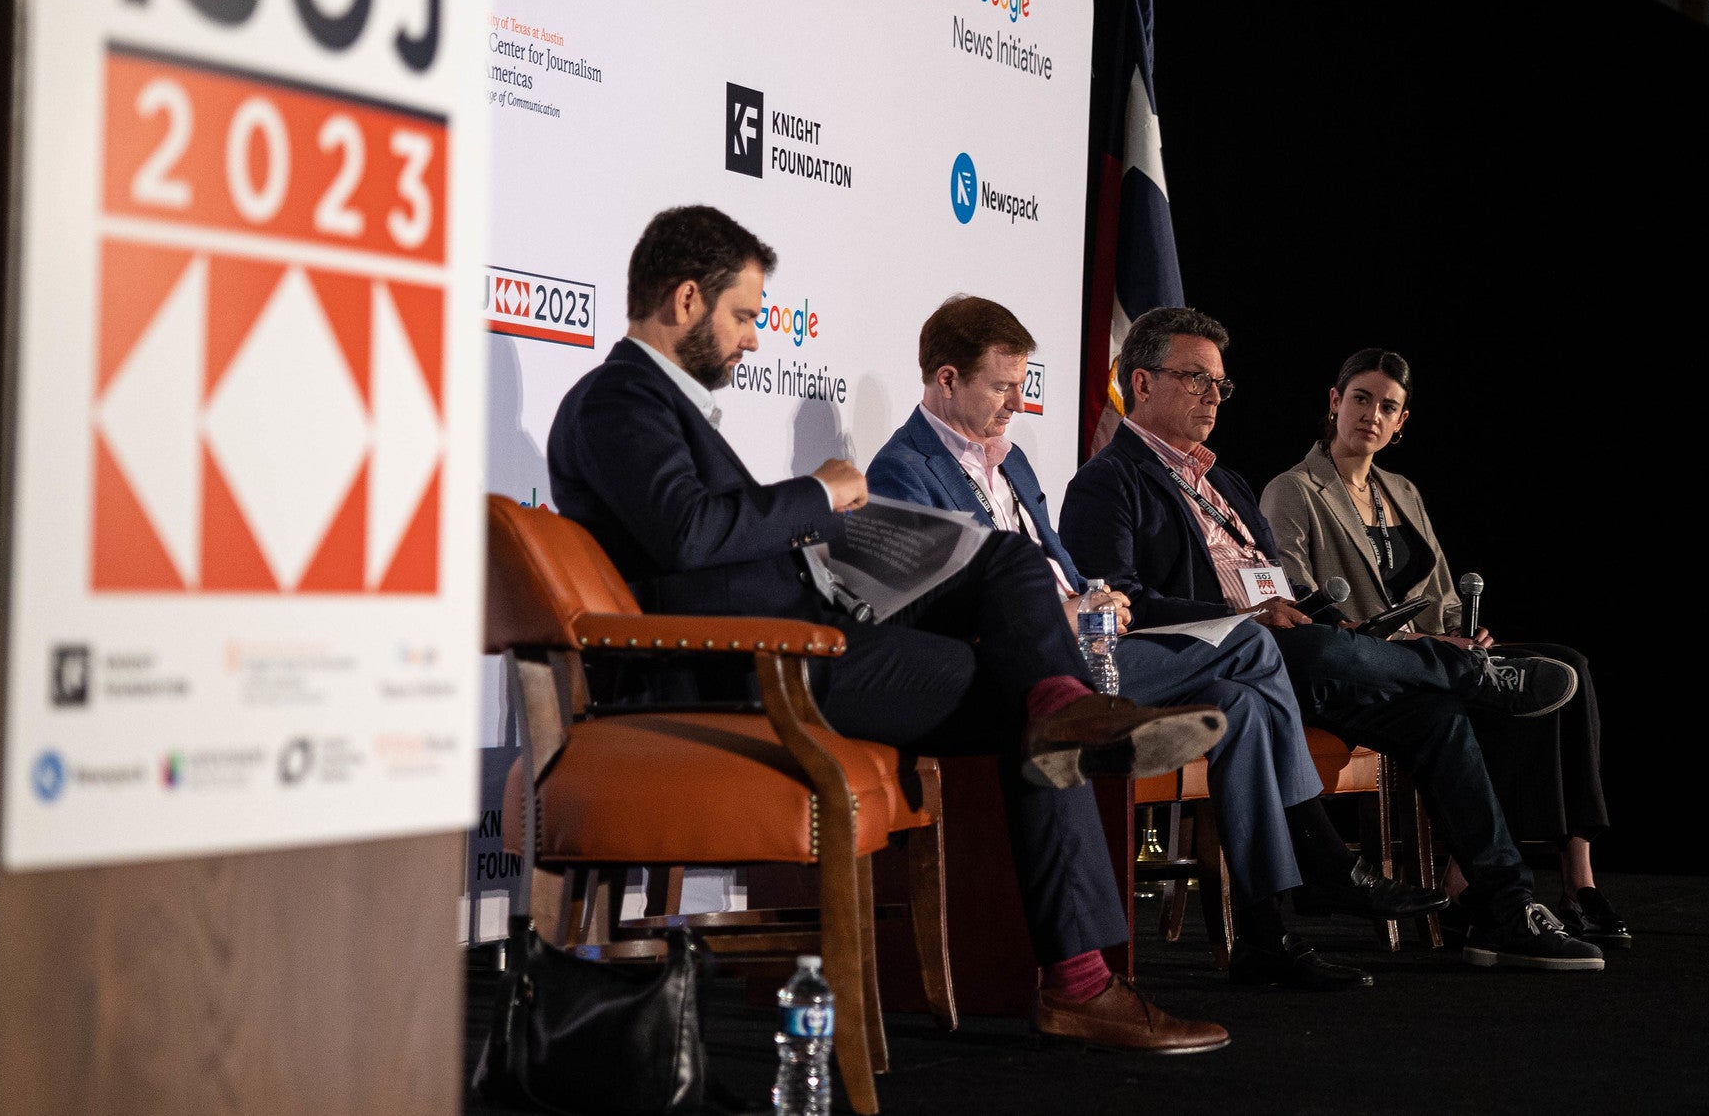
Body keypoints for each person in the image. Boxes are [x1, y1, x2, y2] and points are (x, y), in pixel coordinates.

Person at [547, 206, 1233, 1052]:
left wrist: (854, 552)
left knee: (1005, 564)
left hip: (804, 626)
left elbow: (703, 536)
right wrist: (819, 496)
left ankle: (1066, 703)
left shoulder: (649, 402)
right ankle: (1078, 977)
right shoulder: (617, 400)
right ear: (686, 299)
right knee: (1034, 715)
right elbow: (687, 532)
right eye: (743, 316)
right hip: (754, 666)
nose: (754, 340)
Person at [866, 295, 1448, 991]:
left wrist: (1089, 593)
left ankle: (1269, 934)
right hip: (1023, 664)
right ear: (946, 379)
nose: (1016, 404)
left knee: (1243, 701)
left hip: (1089, 641)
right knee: (1252, 647)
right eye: (1001, 386)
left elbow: (1058, 563)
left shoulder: (1012, 463)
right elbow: (942, 596)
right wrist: (1077, 605)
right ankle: (1319, 857)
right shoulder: (903, 468)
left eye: (1022, 386)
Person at [1060, 306, 1606, 972]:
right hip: (1213, 662)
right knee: (1308, 648)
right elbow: (1118, 600)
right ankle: (1462, 670)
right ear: (1140, 383)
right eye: (1195, 378)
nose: (1212, 395)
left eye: (1219, 384)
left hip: (1294, 659)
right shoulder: (1107, 481)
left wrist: (1320, 616)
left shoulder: (1223, 482)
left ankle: (1504, 903)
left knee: (1432, 716)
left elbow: (1281, 585)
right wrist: (1245, 621)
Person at [1259, 347, 1630, 947]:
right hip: (1360, 663)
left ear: (1401, 422)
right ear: (1334, 402)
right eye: (1360, 399)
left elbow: (1442, 597)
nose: (1371, 415)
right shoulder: (1292, 490)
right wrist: (1426, 643)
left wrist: (1467, 631)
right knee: (1472, 697)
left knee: (1569, 666)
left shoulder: (1401, 489)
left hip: (1432, 651)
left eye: (1388, 407)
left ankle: (1574, 872)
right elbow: (1300, 609)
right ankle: (1478, 881)